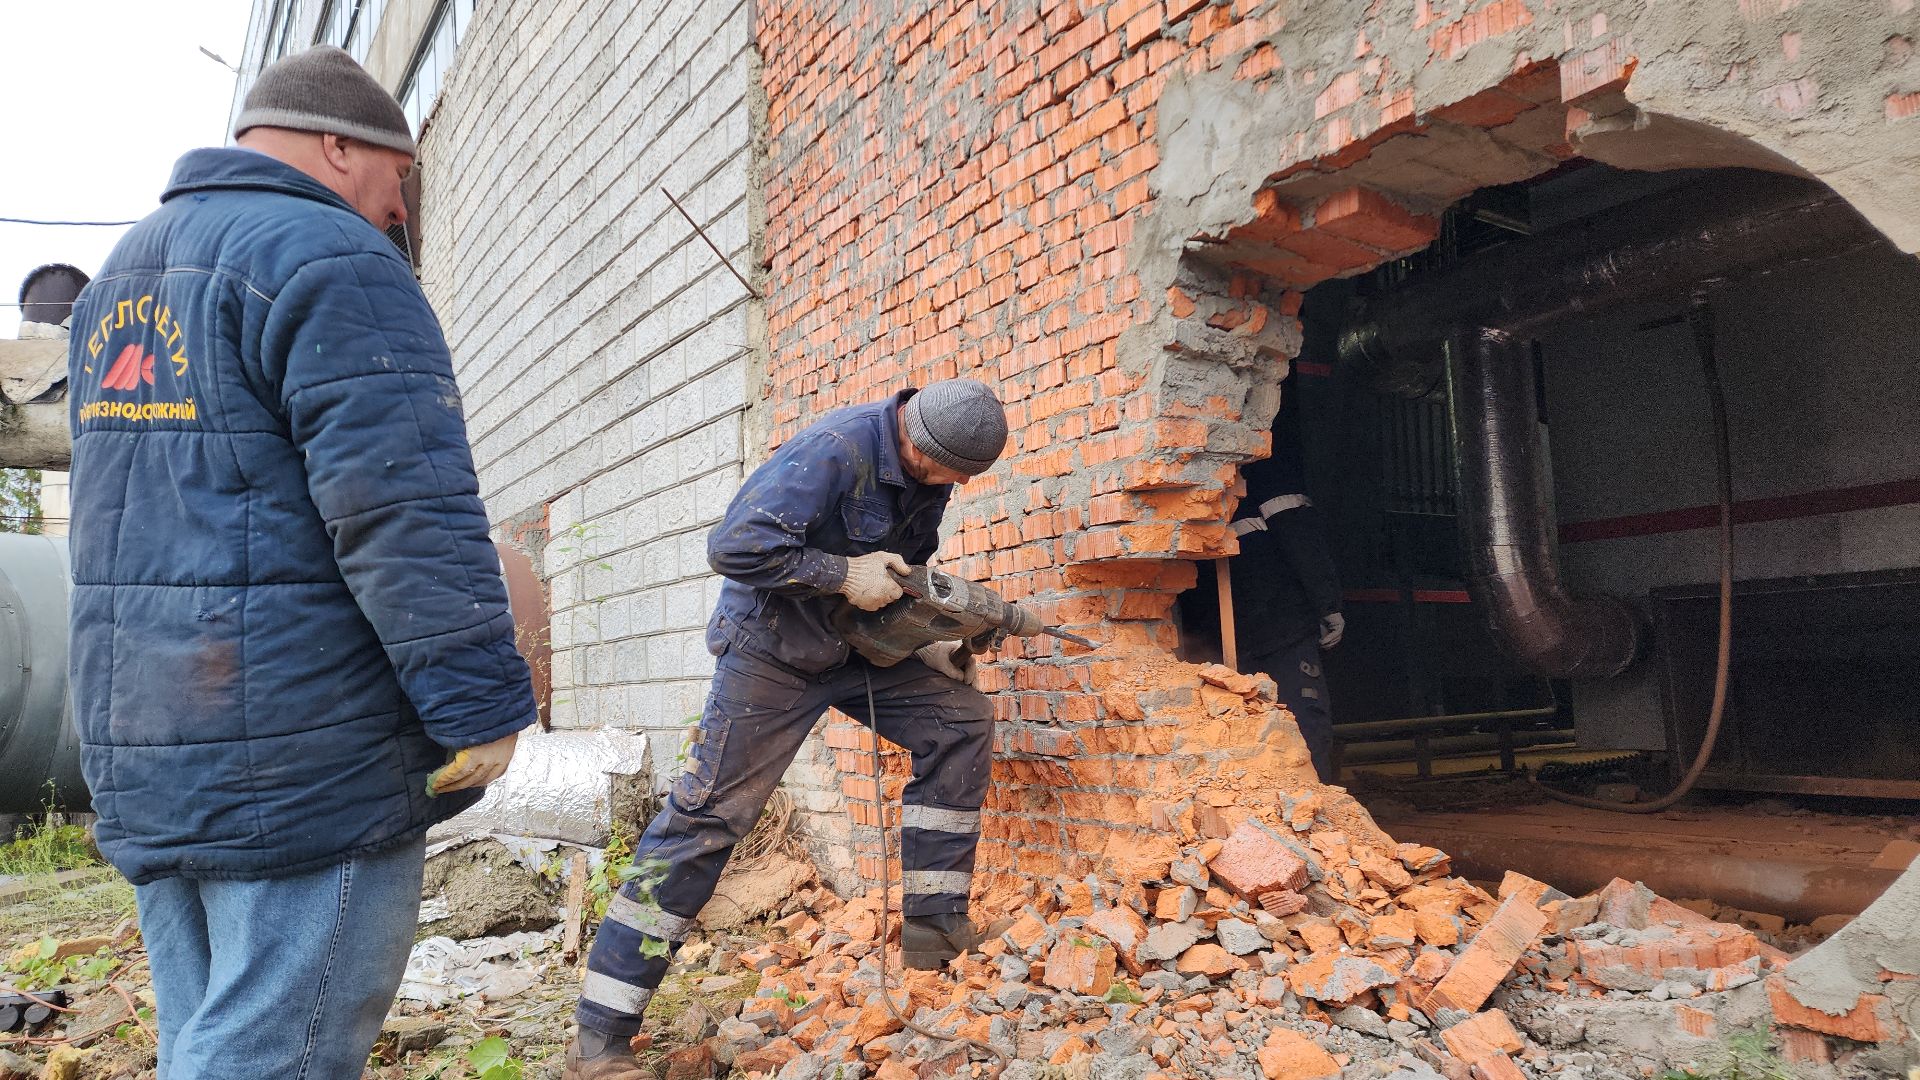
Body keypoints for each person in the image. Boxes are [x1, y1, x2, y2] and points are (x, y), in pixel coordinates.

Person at [65, 46, 534, 1080]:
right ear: (338, 147)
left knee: (210, 1036)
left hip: (145, 738)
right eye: (397, 177)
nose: (400, 208)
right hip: (299, 752)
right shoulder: (330, 259)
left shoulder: (123, 278)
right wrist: (481, 706)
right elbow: (400, 507)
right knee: (284, 1052)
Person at [564, 379, 1009, 1078]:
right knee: (707, 818)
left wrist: (926, 640)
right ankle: (600, 1035)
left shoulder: (933, 471)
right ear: (919, 445)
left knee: (962, 721)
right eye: (953, 473)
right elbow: (734, 546)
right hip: (769, 653)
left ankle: (933, 928)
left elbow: (902, 572)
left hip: (850, 648)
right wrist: (839, 573)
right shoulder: (834, 450)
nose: (956, 485)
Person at [1228, 390, 1344, 782]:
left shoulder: (1202, 471)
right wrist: (1328, 605)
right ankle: (1314, 819)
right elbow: (1300, 538)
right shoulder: (1272, 467)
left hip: (1223, 634)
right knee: (1302, 728)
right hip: (1280, 625)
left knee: (1245, 731)